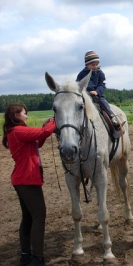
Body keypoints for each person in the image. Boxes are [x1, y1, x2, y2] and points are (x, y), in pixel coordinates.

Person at [2, 103, 56, 266]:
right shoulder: (18, 131)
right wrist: (55, 120)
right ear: (16, 116)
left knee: (28, 218)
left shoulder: (17, 132)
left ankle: (25, 255)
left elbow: (38, 141)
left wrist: (46, 128)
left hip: (22, 180)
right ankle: (37, 258)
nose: (26, 115)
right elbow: (44, 132)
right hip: (27, 180)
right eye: (24, 113)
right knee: (39, 216)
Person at [76, 50, 125, 130]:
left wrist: (97, 92)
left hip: (97, 96)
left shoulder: (100, 73)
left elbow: (102, 85)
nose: (95, 66)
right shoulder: (81, 74)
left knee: (104, 104)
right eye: (93, 65)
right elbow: (78, 86)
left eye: (96, 64)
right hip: (85, 96)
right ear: (86, 64)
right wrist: (86, 92)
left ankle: (113, 118)